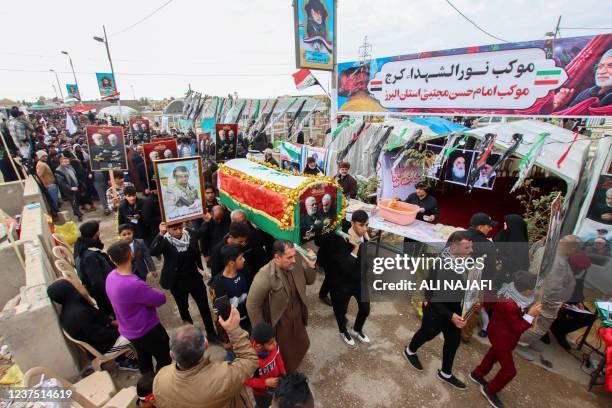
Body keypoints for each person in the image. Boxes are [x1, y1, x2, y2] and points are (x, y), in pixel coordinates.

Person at [404, 231, 476, 390]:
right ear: (454, 247)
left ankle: (445, 373)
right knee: (426, 334)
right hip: (437, 312)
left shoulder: (466, 262)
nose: (471, 251)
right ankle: (410, 350)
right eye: (467, 247)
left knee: (453, 341)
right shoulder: (440, 265)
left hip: (455, 311)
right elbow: (430, 295)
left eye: (471, 247)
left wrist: (471, 301)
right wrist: (450, 315)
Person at [152, 312, 259, 408]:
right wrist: (234, 330)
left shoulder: (160, 380)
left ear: (172, 355)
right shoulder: (223, 377)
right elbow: (250, 360)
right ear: (206, 345)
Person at [470, 271, 542, 408]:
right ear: (526, 290)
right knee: (510, 371)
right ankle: (489, 390)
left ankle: (477, 374)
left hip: (500, 335)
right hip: (502, 338)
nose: (533, 292)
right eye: (532, 290)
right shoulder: (509, 304)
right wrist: (530, 315)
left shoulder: (512, 292)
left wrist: (531, 314)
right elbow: (518, 328)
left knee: (492, 356)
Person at [247, 240, 317, 373]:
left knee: (301, 344)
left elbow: (310, 280)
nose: (294, 260)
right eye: (289, 257)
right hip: (281, 322)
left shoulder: (294, 263)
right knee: (285, 353)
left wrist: (311, 266)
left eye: (294, 255)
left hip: (297, 316)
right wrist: (263, 333)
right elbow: (252, 304)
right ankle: (287, 374)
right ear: (277, 257)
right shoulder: (265, 275)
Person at [105, 241, 171, 373]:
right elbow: (160, 298)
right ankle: (161, 383)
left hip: (129, 330)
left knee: (143, 358)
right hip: (148, 329)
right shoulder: (133, 284)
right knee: (164, 358)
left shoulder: (111, 277)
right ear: (131, 254)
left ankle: (148, 386)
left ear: (112, 259)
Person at [149, 221, 220, 343]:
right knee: (183, 309)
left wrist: (208, 220)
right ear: (168, 230)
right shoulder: (165, 240)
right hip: (177, 282)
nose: (178, 232)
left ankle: (211, 333)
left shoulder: (190, 233)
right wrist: (160, 234)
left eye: (180, 228)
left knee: (204, 306)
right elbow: (153, 251)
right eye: (174, 229)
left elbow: (201, 233)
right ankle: (192, 336)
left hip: (194, 277)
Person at [47, 278, 139, 371]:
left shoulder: (71, 308)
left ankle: (124, 356)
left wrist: (112, 322)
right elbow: (100, 335)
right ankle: (127, 361)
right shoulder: (79, 313)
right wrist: (123, 329)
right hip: (104, 349)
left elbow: (96, 317)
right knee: (138, 331)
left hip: (99, 343)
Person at [517, 235, 583, 361]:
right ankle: (521, 343)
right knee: (539, 323)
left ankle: (526, 341)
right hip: (546, 298)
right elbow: (552, 286)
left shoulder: (547, 250)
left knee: (532, 319)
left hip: (536, 292)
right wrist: (555, 301)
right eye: (575, 250)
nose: (575, 253)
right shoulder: (558, 261)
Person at [326, 210, 371, 347]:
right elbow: (345, 268)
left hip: (359, 280)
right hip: (343, 283)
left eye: (367, 225)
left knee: (365, 308)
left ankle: (357, 330)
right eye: (361, 225)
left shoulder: (364, 235)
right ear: (352, 223)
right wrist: (356, 248)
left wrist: (366, 240)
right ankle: (343, 331)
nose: (364, 229)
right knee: (341, 311)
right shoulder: (341, 239)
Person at [210, 244, 252, 358]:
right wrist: (225, 339)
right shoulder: (218, 284)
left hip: (249, 323)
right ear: (231, 263)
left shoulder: (245, 273)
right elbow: (218, 316)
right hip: (233, 330)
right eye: (240, 258)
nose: (244, 260)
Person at [462, 213, 498, 342]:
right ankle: (465, 335)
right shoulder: (488, 246)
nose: (491, 229)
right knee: (472, 310)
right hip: (475, 284)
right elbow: (490, 271)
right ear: (481, 227)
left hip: (456, 278)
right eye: (489, 226)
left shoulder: (458, 236)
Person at [550, 252, 596, 350]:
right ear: (571, 264)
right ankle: (541, 329)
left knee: (589, 317)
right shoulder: (560, 267)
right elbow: (550, 287)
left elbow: (578, 288)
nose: (578, 271)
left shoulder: (581, 272)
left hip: (568, 300)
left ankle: (559, 330)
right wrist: (559, 301)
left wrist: (579, 301)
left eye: (581, 270)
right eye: (577, 269)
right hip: (552, 297)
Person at [73, 221, 114, 316]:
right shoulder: (89, 256)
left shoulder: (80, 244)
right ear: (96, 233)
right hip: (104, 295)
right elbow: (97, 282)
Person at [245, 323, 286, 408]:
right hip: (261, 393)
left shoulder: (274, 347)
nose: (275, 344)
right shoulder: (251, 359)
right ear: (259, 346)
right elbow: (246, 380)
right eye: (271, 343)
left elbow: (278, 359)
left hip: (275, 385)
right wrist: (265, 383)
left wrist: (283, 374)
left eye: (275, 340)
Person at [494, 214, 530, 285]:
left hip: (511, 281)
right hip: (499, 277)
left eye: (507, 222)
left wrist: (498, 257)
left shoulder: (519, 242)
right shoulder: (505, 235)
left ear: (513, 225)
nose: (504, 223)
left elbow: (516, 263)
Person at [55, 154, 84, 220]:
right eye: (65, 162)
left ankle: (77, 212)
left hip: (75, 186)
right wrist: (70, 188)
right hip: (68, 189)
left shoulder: (69, 167)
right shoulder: (58, 170)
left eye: (68, 162)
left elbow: (74, 175)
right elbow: (61, 183)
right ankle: (79, 215)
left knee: (76, 201)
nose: (67, 163)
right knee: (73, 201)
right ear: (61, 162)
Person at [35, 150, 59, 217]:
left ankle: (56, 213)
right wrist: (45, 185)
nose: (46, 157)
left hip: (51, 184)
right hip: (49, 185)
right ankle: (55, 215)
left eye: (46, 156)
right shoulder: (41, 165)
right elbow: (39, 176)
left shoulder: (43, 163)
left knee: (54, 201)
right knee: (53, 201)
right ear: (40, 157)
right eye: (43, 156)